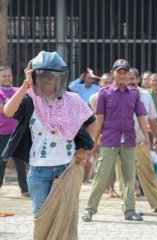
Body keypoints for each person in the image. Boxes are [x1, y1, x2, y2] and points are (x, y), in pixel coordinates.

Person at [1, 51, 96, 239]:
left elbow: (92, 122)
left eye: (52, 77)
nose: (48, 81)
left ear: (60, 79)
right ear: (35, 77)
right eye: (42, 76)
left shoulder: (73, 101)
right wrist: (25, 84)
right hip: (38, 172)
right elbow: (8, 110)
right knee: (42, 218)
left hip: (67, 169)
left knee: (66, 219)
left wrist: (85, 149)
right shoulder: (29, 101)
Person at [82, 59, 150, 222]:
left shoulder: (134, 94)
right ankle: (89, 210)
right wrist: (93, 142)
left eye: (124, 72)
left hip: (129, 140)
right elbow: (99, 119)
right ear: (113, 73)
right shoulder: (104, 94)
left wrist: (146, 137)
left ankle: (129, 211)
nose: (121, 74)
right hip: (109, 141)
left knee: (129, 177)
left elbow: (141, 116)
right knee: (101, 175)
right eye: (118, 71)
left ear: (128, 74)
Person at [126, 68, 157, 212]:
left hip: (141, 141)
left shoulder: (145, 95)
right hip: (121, 141)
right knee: (126, 176)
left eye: (133, 78)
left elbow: (152, 118)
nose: (131, 81)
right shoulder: (115, 94)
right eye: (128, 79)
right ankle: (128, 208)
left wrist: (155, 137)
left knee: (149, 174)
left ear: (138, 79)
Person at [0, 66, 29, 197]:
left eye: (9, 75)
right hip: (2, 133)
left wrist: (9, 103)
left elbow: (22, 106)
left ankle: (25, 189)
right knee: (1, 162)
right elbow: (3, 109)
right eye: (4, 76)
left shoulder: (19, 90)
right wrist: (12, 104)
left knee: (21, 163)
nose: (7, 78)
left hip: (18, 132)